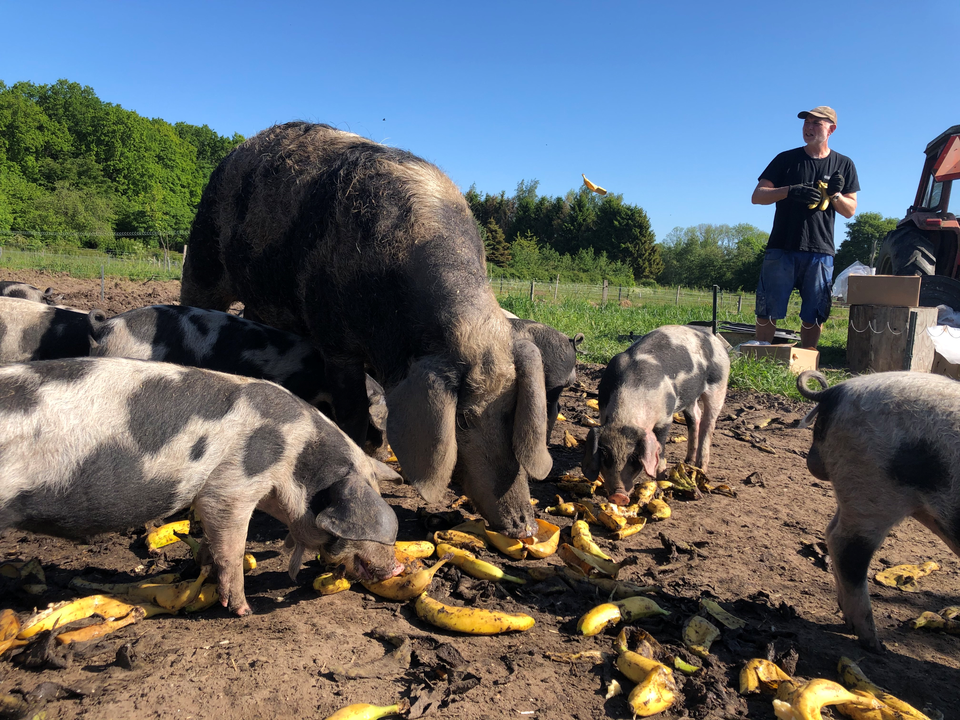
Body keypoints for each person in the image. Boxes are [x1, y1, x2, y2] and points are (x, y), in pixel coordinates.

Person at [751, 106, 859, 349]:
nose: (808, 128)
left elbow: (850, 210)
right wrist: (790, 190)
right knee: (767, 309)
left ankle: (808, 358)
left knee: (815, 312)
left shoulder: (844, 164)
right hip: (782, 246)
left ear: (831, 129)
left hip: (820, 249)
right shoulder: (785, 159)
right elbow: (757, 196)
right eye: (806, 122)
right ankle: (760, 358)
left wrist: (835, 194)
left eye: (816, 123)